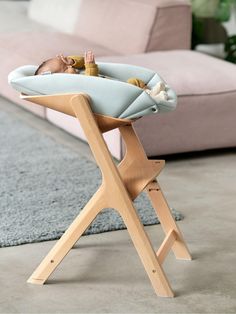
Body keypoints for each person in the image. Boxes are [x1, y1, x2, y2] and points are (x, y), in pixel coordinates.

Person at [35, 51, 168, 101]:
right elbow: (92, 84)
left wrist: (71, 60)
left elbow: (81, 61)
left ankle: (150, 92)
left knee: (135, 81)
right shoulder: (75, 85)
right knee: (133, 86)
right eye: (65, 68)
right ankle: (153, 97)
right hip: (116, 95)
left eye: (68, 65)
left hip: (121, 87)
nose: (71, 68)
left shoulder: (75, 71)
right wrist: (90, 66)